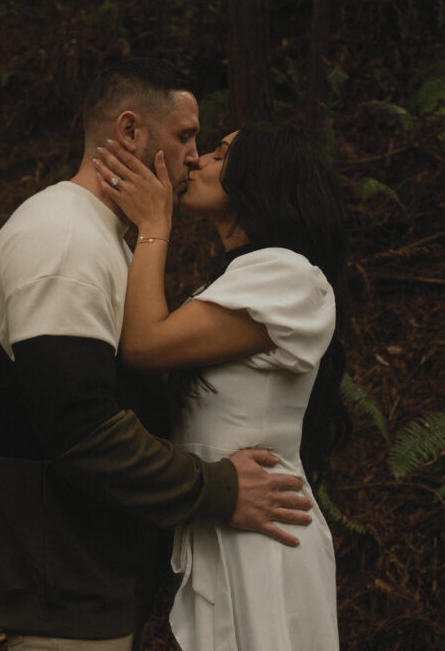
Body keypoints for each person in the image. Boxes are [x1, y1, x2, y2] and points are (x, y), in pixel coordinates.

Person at [0, 60, 313, 651]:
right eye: (185, 136)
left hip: (84, 584)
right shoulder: (62, 242)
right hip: (60, 597)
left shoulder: (98, 240)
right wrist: (219, 490)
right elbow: (82, 433)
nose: (195, 157)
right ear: (129, 132)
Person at [94, 120, 349, 651]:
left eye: (219, 154)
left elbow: (142, 345)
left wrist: (153, 225)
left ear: (262, 176)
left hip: (263, 539)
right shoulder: (240, 277)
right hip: (229, 520)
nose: (196, 161)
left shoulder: (287, 275)